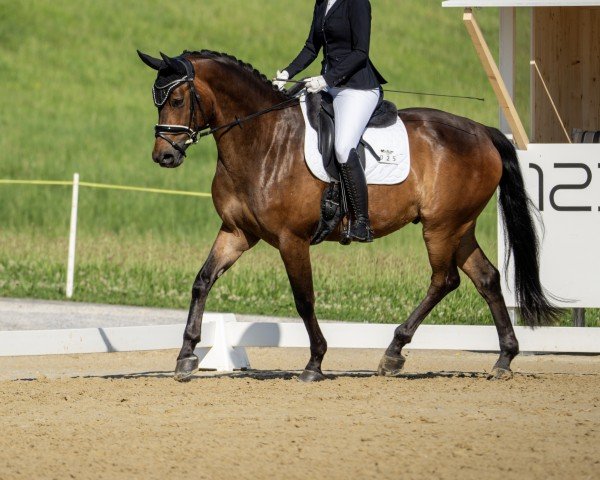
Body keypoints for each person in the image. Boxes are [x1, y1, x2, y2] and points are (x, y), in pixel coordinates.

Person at [273, 0, 387, 243]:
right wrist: (287, 73)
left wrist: (327, 79)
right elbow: (311, 46)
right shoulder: (322, 2)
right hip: (328, 86)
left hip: (357, 88)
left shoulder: (357, 3)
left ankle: (361, 222)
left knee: (343, 147)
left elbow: (360, 52)